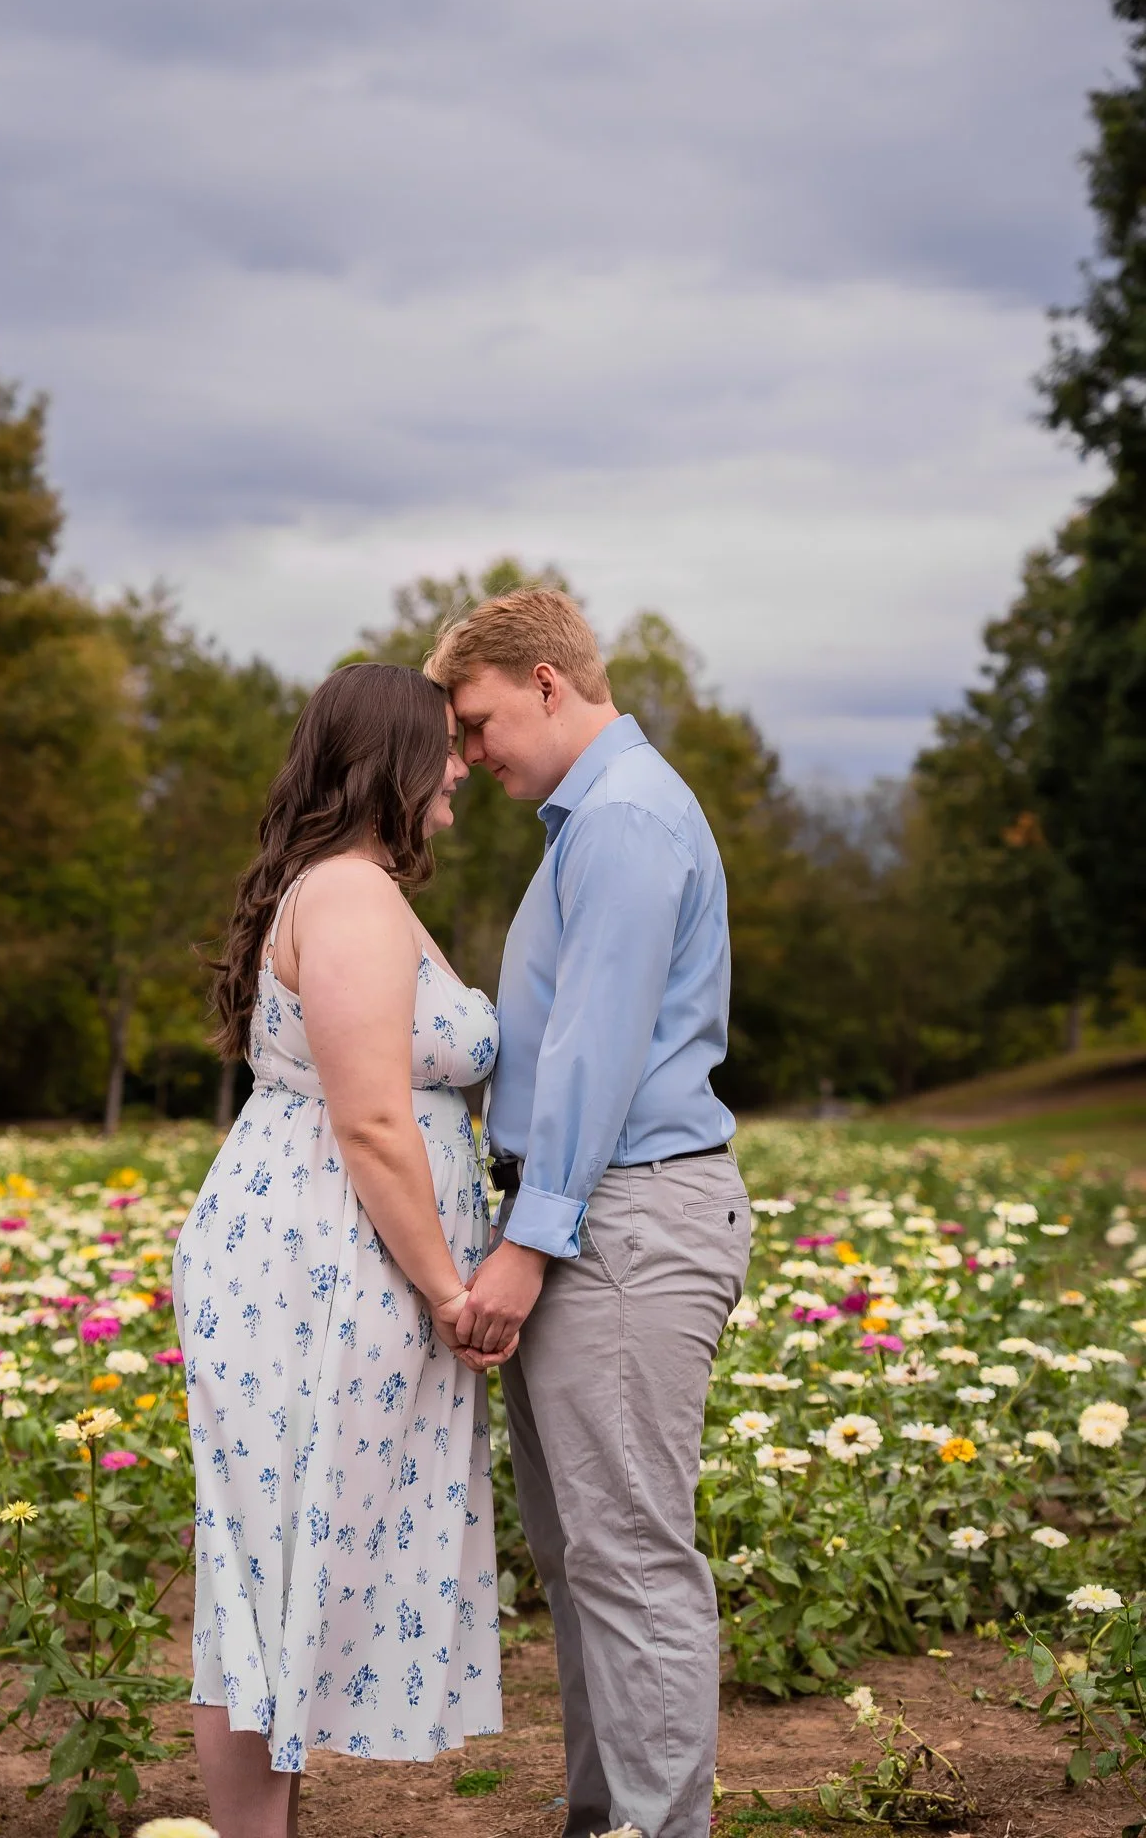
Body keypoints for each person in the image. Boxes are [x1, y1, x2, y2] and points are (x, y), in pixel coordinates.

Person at [427, 589, 751, 1838]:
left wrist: (525, 1242)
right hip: (601, 1219)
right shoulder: (599, 820)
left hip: (620, 1221)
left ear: (547, 683)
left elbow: (594, 1055)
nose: (468, 753)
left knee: (630, 1559)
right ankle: (604, 1816)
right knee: (589, 1560)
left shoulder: (621, 821)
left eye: (477, 720)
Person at [172, 662, 509, 1838]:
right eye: (444, 744)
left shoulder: (351, 884)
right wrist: (452, 1291)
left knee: (290, 1554)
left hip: (324, 1251)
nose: (462, 760)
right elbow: (369, 1117)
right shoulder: (353, 898)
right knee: (267, 1560)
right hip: (318, 1259)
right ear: (392, 762)